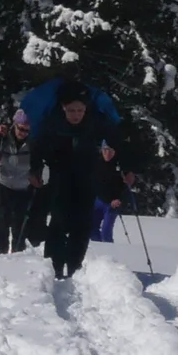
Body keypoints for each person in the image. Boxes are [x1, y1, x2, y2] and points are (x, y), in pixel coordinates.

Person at [31, 83, 124, 279]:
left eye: (80, 110)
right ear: (64, 108)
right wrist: (35, 169)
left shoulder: (95, 125)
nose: (76, 114)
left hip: (86, 181)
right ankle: (54, 266)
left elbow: (114, 139)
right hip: (60, 181)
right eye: (72, 110)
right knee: (59, 223)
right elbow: (37, 148)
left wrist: (112, 152)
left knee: (82, 226)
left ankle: (74, 266)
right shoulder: (53, 125)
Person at [0, 110, 38, 254]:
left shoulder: (32, 143)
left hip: (22, 186)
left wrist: (36, 176)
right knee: (2, 219)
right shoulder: (4, 138)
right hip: (3, 183)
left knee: (19, 222)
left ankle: (18, 252)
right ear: (15, 125)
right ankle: (0, 251)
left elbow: (38, 163)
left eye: (26, 130)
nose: (23, 133)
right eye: (21, 129)